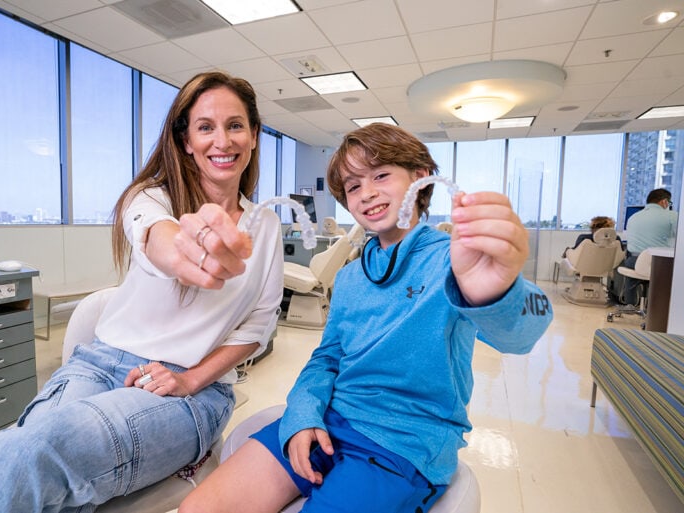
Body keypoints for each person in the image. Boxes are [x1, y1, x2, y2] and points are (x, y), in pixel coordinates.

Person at [0, 71, 285, 512]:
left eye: (235, 125)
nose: (222, 140)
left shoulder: (265, 227)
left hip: (192, 389)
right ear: (185, 141)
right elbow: (157, 238)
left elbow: (259, 323)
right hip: (98, 363)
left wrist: (190, 378)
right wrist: (185, 252)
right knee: (19, 462)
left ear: (253, 136)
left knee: (28, 454)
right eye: (205, 127)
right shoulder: (149, 199)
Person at [180, 123, 553, 513]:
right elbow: (327, 358)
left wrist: (497, 291)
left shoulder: (454, 260)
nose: (367, 193)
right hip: (329, 421)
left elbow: (527, 330)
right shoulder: (351, 276)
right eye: (354, 186)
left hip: (402, 442)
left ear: (421, 178)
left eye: (381, 175)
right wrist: (305, 414)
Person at [611, 188, 677, 305]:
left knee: (632, 270)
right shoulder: (672, 216)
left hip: (635, 261)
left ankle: (630, 304)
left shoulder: (633, 218)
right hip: (659, 264)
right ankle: (658, 308)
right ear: (664, 202)